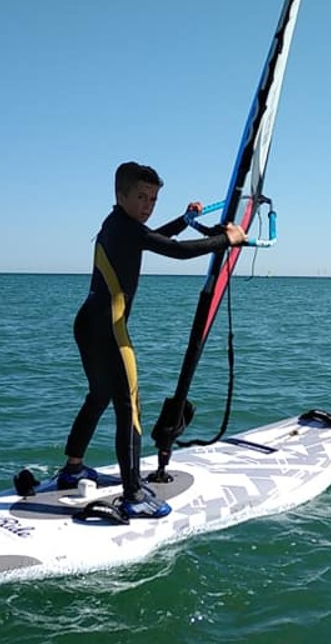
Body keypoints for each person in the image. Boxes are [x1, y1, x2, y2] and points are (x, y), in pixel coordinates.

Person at [58, 161, 246, 518]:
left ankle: (73, 468)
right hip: (111, 329)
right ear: (121, 195)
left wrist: (182, 220)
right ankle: (133, 494)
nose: (148, 204)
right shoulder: (129, 229)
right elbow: (176, 251)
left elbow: (153, 239)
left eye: (154, 199)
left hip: (87, 323)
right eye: (141, 197)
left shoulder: (118, 225)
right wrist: (227, 239)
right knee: (129, 409)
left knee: (99, 396)